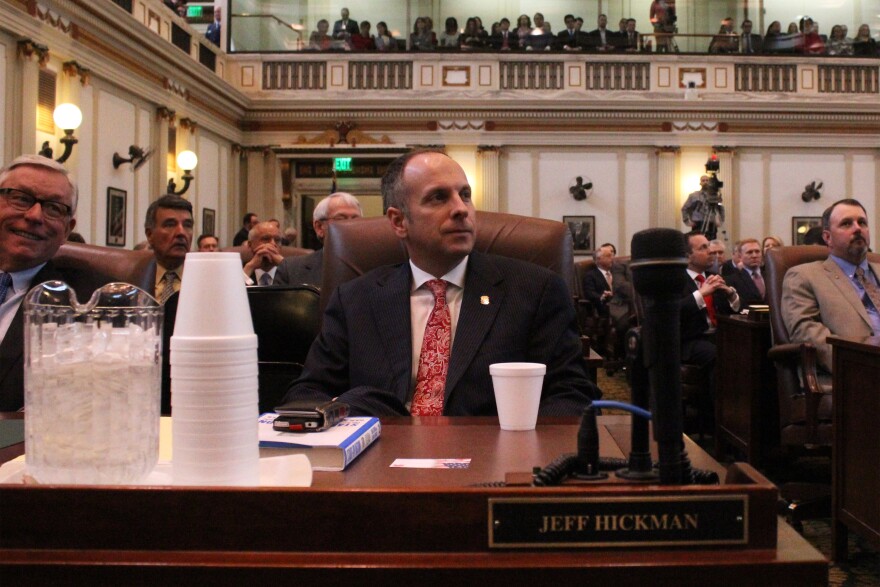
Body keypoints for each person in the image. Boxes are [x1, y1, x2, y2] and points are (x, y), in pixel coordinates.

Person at [283, 150, 598, 417]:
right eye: (438, 197)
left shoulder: (534, 291)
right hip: (377, 466)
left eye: (464, 195)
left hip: (490, 468)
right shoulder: (356, 300)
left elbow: (572, 397)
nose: (461, 209)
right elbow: (307, 394)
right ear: (398, 221)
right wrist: (349, 409)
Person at [0, 155, 102, 411]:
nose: (35, 216)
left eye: (54, 208)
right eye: (21, 198)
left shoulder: (89, 304)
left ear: (68, 230)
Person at [782, 199, 879, 374]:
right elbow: (808, 334)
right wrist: (863, 366)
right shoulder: (804, 276)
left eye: (862, 222)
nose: (857, 228)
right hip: (854, 376)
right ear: (827, 237)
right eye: (846, 223)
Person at [680, 232, 739, 427]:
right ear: (688, 255)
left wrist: (730, 294)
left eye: (709, 246)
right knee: (719, 355)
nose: (711, 251)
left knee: (747, 351)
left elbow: (734, 308)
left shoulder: (713, 277)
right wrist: (700, 294)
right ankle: (720, 421)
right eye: (703, 248)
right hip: (688, 340)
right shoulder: (676, 280)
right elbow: (673, 312)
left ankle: (744, 419)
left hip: (716, 336)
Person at [275, 192, 362, 288]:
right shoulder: (291, 270)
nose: (350, 224)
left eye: (356, 219)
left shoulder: (375, 266)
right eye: (341, 219)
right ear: (319, 227)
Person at [144, 194, 193, 303]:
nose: (181, 232)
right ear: (150, 235)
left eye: (187, 225)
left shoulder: (205, 280)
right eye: (170, 225)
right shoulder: (134, 278)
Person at [719, 238, 766, 311]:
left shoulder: (771, 277)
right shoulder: (731, 280)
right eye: (749, 252)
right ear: (740, 257)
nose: (754, 255)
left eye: (757, 251)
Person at [681, 175, 724, 239]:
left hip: (711, 223)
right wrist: (687, 221)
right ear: (700, 183)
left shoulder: (715, 196)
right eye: (703, 180)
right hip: (698, 223)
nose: (705, 182)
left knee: (711, 243)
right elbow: (685, 208)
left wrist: (721, 221)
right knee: (698, 242)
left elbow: (721, 208)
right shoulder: (694, 195)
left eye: (707, 180)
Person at [242, 221, 284, 286]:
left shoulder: (292, 270)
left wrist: (284, 264)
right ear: (250, 245)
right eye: (266, 239)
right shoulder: (238, 269)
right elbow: (231, 293)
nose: (273, 244)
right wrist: (250, 267)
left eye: (277, 240)